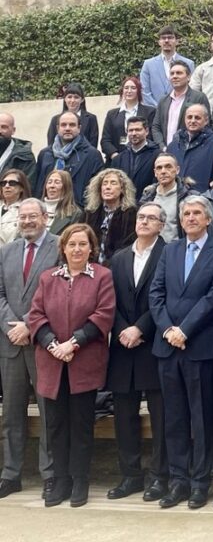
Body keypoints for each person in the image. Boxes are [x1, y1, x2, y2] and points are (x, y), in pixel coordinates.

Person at [148, 196, 213, 509]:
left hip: (199, 346)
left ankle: (200, 482)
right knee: (174, 418)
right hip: (168, 347)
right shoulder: (170, 249)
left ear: (208, 219)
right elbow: (156, 293)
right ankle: (178, 481)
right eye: (185, 213)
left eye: (197, 212)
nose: (190, 217)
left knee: (201, 419)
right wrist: (168, 330)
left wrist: (184, 330)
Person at [28, 224, 115, 508]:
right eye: (72, 244)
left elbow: (103, 315)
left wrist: (73, 343)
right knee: (55, 425)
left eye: (83, 244)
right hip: (52, 363)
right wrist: (54, 344)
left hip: (83, 362)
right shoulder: (48, 278)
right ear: (63, 248)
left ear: (92, 248)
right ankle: (60, 480)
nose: (77, 249)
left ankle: (80, 480)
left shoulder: (102, 276)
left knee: (80, 425)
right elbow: (36, 315)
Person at [106, 205, 168, 503]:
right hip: (121, 345)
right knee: (124, 416)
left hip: (153, 343)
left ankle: (159, 476)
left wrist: (140, 328)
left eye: (151, 218)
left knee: (160, 416)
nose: (144, 222)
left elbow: (166, 298)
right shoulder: (118, 257)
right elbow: (109, 301)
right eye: (141, 217)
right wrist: (122, 329)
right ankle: (130, 475)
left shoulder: (169, 254)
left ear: (162, 225)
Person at [0, 199, 58, 500]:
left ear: (45, 217)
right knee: (11, 413)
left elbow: (59, 295)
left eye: (32, 216)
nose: (27, 222)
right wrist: (11, 326)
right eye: (22, 217)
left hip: (42, 342)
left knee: (49, 412)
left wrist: (28, 325)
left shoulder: (59, 247)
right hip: (10, 343)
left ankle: (50, 474)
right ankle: (11, 474)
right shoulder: (6, 251)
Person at [34, 111, 104, 205]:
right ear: (58, 128)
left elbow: (97, 189)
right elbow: (39, 187)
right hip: (47, 209)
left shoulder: (92, 155)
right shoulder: (45, 154)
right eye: (63, 125)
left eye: (72, 125)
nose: (67, 128)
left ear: (79, 128)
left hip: (77, 211)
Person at [165, 103, 213, 193]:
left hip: (203, 199)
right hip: (175, 197)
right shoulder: (173, 146)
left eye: (197, 118)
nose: (193, 121)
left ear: (206, 121)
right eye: (189, 117)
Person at [81, 168, 138, 264]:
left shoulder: (131, 214)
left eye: (113, 183)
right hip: (90, 264)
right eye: (105, 183)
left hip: (118, 265)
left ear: (122, 189)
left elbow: (129, 245)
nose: (108, 187)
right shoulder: (89, 213)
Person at [139, 153, 198, 243]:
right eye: (159, 168)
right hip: (151, 251)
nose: (163, 171)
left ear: (177, 170)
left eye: (168, 167)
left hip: (177, 251)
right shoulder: (147, 196)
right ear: (155, 173)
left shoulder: (189, 197)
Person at [151, 62, 211, 149]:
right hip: (165, 151)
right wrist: (162, 146)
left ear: (188, 77)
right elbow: (156, 127)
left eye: (179, 73)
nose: (175, 76)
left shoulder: (198, 97)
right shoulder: (163, 101)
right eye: (172, 73)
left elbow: (206, 125)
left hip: (190, 150)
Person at [100, 76, 156, 162]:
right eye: (126, 88)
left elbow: (152, 137)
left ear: (138, 91)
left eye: (133, 88)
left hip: (142, 159)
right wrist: (115, 156)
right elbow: (105, 140)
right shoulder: (112, 114)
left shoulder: (150, 112)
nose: (129, 91)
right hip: (116, 159)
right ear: (122, 91)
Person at [139, 26, 195, 107]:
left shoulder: (189, 64)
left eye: (170, 37)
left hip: (180, 112)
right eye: (163, 38)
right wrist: (159, 109)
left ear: (177, 41)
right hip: (154, 113)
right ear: (159, 42)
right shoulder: (148, 64)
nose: (166, 40)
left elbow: (191, 90)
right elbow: (144, 91)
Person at [115, 115, 161, 201]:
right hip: (123, 206)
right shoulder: (118, 159)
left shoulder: (158, 156)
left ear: (146, 131)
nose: (134, 133)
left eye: (138, 130)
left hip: (147, 205)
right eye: (130, 130)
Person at [45, 82, 99, 149]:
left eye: (76, 97)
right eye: (69, 97)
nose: (72, 100)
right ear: (65, 99)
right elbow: (51, 145)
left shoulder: (91, 118)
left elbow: (93, 145)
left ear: (82, 100)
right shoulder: (55, 119)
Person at [41, 170, 82, 235]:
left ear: (66, 187)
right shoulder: (34, 208)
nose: (52, 186)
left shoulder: (75, 214)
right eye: (49, 182)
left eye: (57, 182)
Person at [0, 113, 35, 183]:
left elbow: (28, 187)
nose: (0, 131)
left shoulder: (25, 156)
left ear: (13, 130)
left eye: (4, 127)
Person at [0, 169, 31, 247]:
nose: (7, 186)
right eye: (3, 183)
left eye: (12, 183)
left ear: (22, 188)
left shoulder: (27, 210)